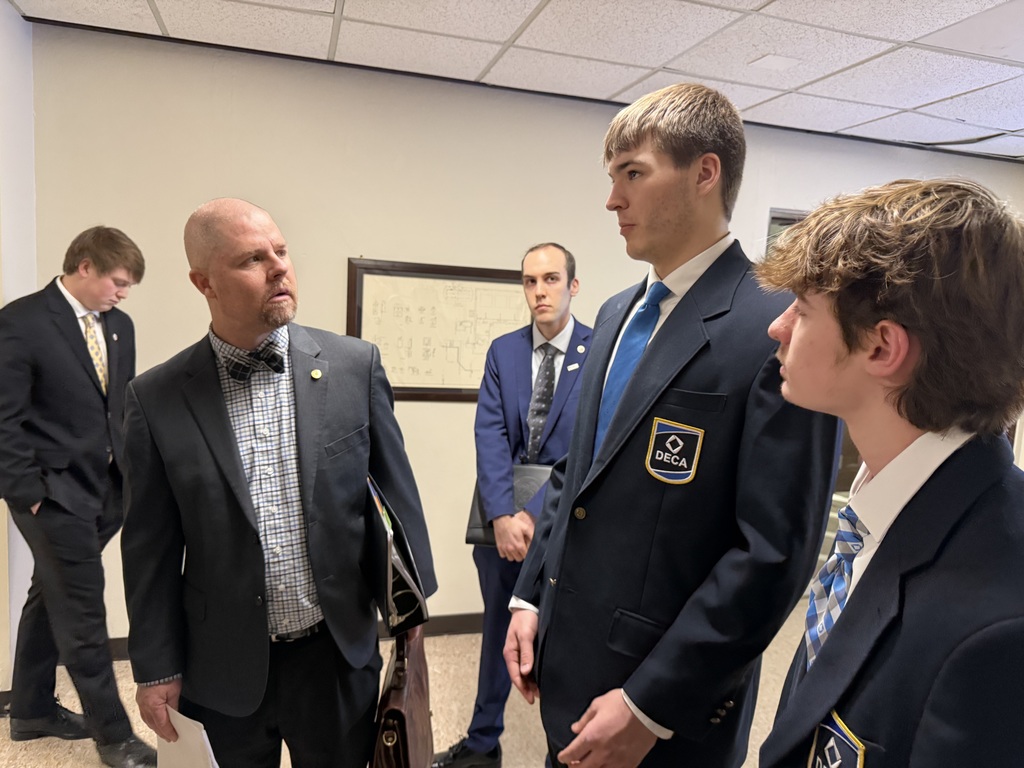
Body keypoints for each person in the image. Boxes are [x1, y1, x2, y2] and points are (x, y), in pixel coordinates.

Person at [503, 82, 840, 768]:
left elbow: (774, 552)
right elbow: (578, 472)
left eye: (633, 173)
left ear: (704, 173)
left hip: (667, 707)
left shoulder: (775, 326)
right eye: (612, 178)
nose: (612, 200)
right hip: (568, 666)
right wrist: (529, 594)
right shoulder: (620, 310)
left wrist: (653, 703)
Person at [119, 198, 436, 768]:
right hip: (222, 666)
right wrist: (155, 667)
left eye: (282, 251)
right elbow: (149, 550)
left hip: (335, 652)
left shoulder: (353, 367)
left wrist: (411, 624)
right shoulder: (156, 398)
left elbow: (395, 500)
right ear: (204, 282)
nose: (279, 268)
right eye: (252, 259)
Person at [756, 178, 1024, 768]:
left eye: (801, 310)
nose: (777, 329)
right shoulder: (883, 515)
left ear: (882, 348)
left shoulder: (997, 629)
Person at [0, 227, 153, 767]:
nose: (123, 292)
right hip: (50, 493)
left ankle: (32, 709)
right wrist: (27, 494)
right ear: (83, 267)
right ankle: (114, 737)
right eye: (118, 281)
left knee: (52, 593)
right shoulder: (21, 322)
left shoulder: (120, 327)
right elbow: (4, 419)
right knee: (83, 609)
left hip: (105, 490)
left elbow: (122, 408)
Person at [434, 243, 591, 768]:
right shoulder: (503, 351)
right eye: (529, 281)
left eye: (550, 279)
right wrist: (502, 515)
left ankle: (569, 746)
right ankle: (483, 743)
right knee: (498, 633)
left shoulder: (602, 352)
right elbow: (491, 434)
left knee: (568, 636)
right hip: (500, 526)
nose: (539, 291)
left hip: (568, 521)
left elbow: (589, 447)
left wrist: (535, 514)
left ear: (572, 286)